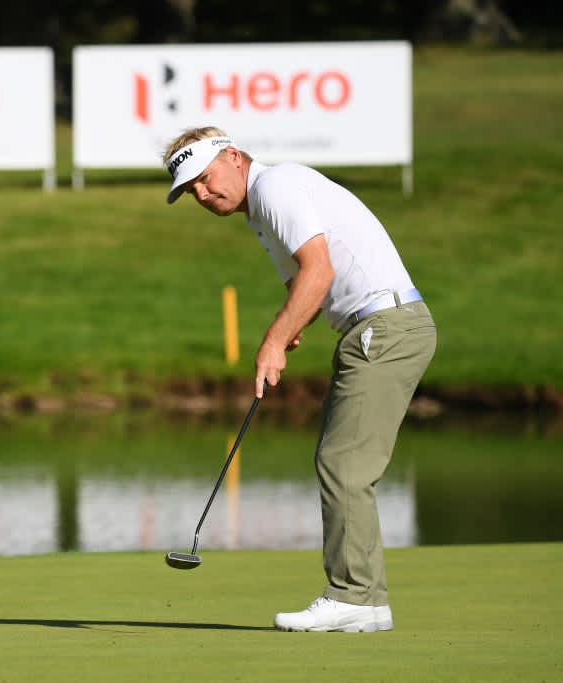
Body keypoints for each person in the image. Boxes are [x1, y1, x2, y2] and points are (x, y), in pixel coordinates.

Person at [163, 126, 436, 632]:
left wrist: (272, 340)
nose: (201, 194)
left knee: (344, 465)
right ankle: (367, 604)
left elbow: (319, 273)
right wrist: (292, 328)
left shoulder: (275, 187)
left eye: (203, 178)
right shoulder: (262, 216)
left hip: (385, 326)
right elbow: (302, 287)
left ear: (233, 157)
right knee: (342, 463)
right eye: (190, 191)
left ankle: (352, 596)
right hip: (372, 329)